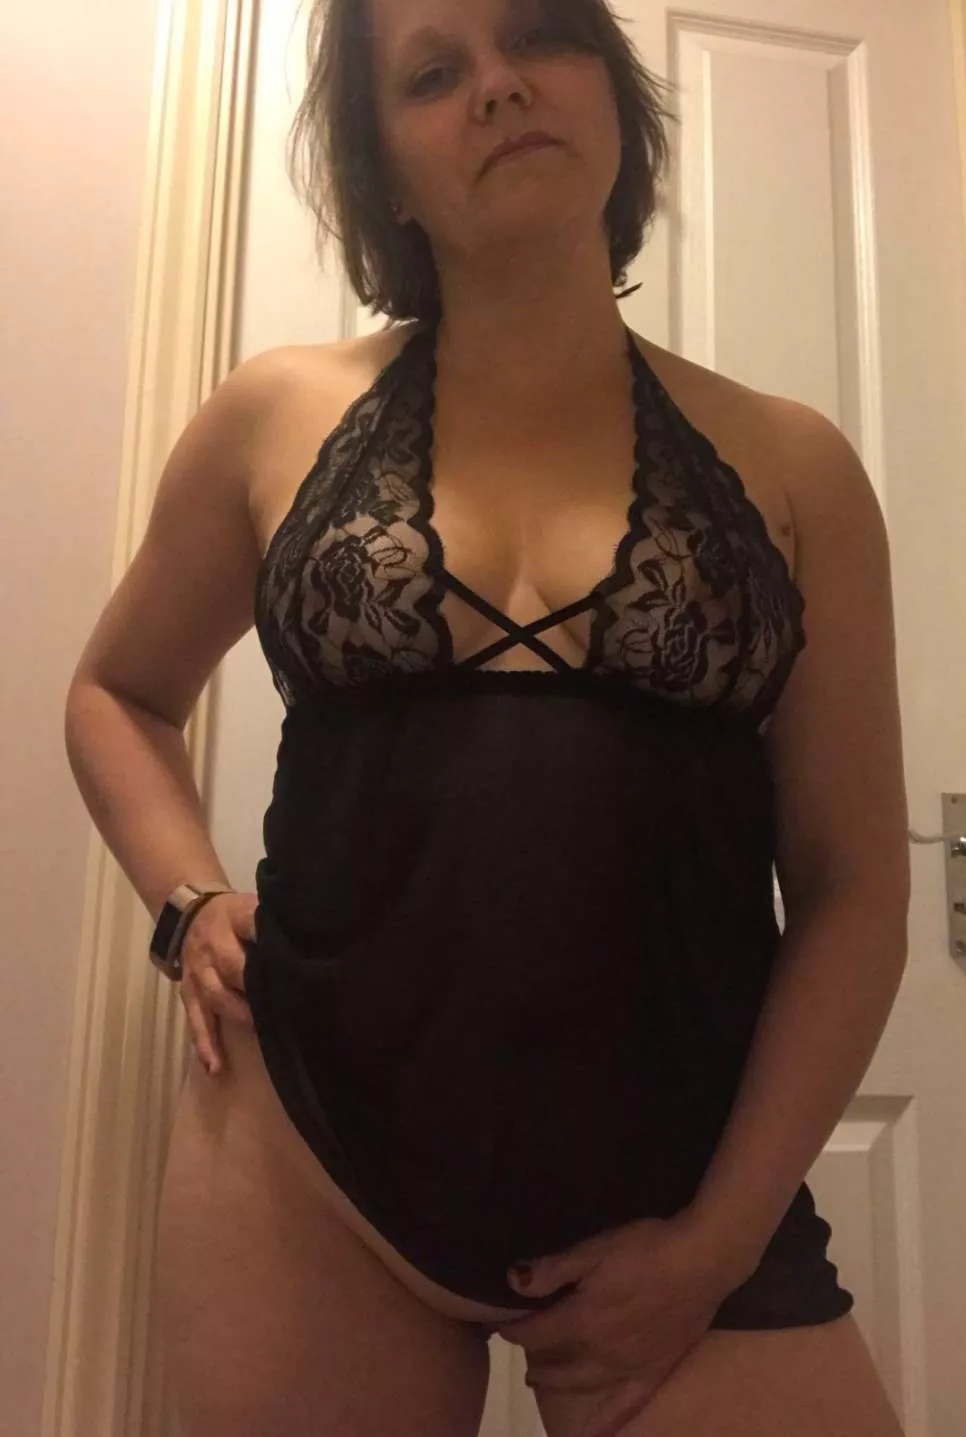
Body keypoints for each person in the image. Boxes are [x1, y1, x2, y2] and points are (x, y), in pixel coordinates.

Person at [64, 0, 911, 1432]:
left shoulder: (794, 466)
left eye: (538, 37)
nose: (501, 88)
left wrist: (716, 1248)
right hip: (310, 1161)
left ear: (614, 92)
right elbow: (116, 693)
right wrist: (183, 902)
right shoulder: (273, 415)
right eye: (435, 73)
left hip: (688, 1180)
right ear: (386, 170)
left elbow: (854, 887)